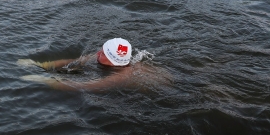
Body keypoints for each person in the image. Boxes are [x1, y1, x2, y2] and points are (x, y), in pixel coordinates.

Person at [19, 38, 170, 91]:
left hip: (167, 86)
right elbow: (72, 62)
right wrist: (41, 64)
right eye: (102, 49)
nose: (98, 53)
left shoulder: (122, 75)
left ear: (113, 62)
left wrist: (47, 81)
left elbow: (85, 87)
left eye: (103, 53)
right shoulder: (101, 57)